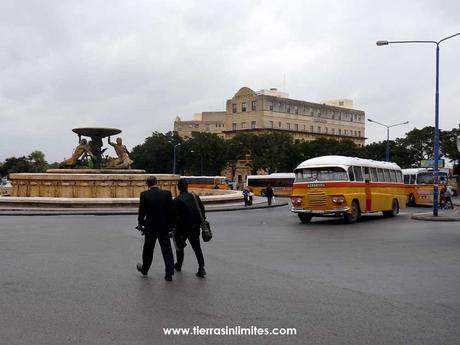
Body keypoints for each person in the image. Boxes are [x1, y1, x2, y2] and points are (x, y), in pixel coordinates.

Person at [137, 176, 175, 281]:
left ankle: (145, 269)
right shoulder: (167, 194)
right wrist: (171, 225)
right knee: (167, 250)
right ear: (156, 183)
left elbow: (141, 212)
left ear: (147, 184)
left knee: (148, 249)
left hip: (151, 227)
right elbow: (171, 211)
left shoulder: (144, 194)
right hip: (164, 226)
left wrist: (141, 224)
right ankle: (169, 273)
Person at [173, 179, 206, 278]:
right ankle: (201, 268)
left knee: (179, 246)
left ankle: (179, 265)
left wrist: (173, 227)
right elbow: (202, 209)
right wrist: (201, 222)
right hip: (195, 226)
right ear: (187, 186)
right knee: (197, 248)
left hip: (182, 228)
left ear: (178, 188)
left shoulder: (177, 200)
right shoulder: (195, 196)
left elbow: (175, 216)